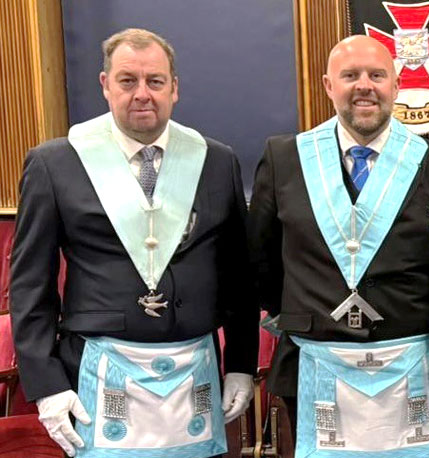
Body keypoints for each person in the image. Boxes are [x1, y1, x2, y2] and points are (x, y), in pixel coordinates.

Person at [11, 28, 256, 457]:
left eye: (155, 81)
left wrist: (240, 365)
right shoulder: (56, 163)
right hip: (97, 373)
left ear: (174, 88)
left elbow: (238, 273)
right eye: (128, 80)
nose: (142, 93)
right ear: (105, 84)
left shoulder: (216, 160)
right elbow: (32, 284)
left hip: (194, 375)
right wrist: (46, 384)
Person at [246, 35, 429, 456]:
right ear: (329, 85)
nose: (364, 85)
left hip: (415, 359)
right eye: (350, 75)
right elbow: (261, 261)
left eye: (376, 75)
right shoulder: (285, 159)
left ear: (396, 85)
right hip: (314, 364)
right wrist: (305, 315)